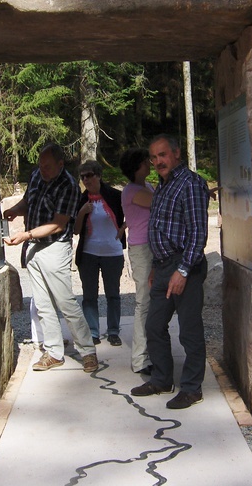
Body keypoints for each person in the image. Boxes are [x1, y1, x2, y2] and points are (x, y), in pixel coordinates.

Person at [3, 143, 98, 373]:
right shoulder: (37, 175)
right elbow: (28, 201)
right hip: (34, 247)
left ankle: (87, 351)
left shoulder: (68, 185)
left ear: (60, 164)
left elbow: (58, 224)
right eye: (40, 165)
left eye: (47, 166)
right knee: (43, 304)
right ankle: (54, 352)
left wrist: (26, 235)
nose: (42, 170)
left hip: (55, 247)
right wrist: (15, 210)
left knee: (65, 302)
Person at [131, 134, 210, 409]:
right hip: (163, 266)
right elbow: (160, 227)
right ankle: (162, 379)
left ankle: (192, 389)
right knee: (154, 325)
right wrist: (157, 266)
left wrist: (183, 270)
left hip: (185, 265)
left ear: (176, 153)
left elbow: (198, 233)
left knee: (189, 330)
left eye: (162, 155)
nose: (157, 162)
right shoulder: (164, 185)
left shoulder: (190, 183)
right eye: (153, 158)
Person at [74, 160, 126, 347]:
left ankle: (113, 331)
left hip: (112, 253)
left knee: (113, 294)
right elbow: (75, 230)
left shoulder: (114, 195)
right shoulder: (81, 200)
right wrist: (82, 212)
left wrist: (123, 228)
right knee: (89, 296)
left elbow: (134, 213)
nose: (85, 180)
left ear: (99, 175)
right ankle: (93, 332)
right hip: (88, 253)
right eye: (82, 177)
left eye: (89, 175)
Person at [119, 148, 155, 375]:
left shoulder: (147, 186)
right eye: (145, 161)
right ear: (137, 167)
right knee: (144, 301)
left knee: (153, 301)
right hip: (142, 250)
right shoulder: (132, 190)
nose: (149, 163)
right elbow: (162, 202)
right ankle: (140, 359)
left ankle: (150, 352)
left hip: (152, 248)